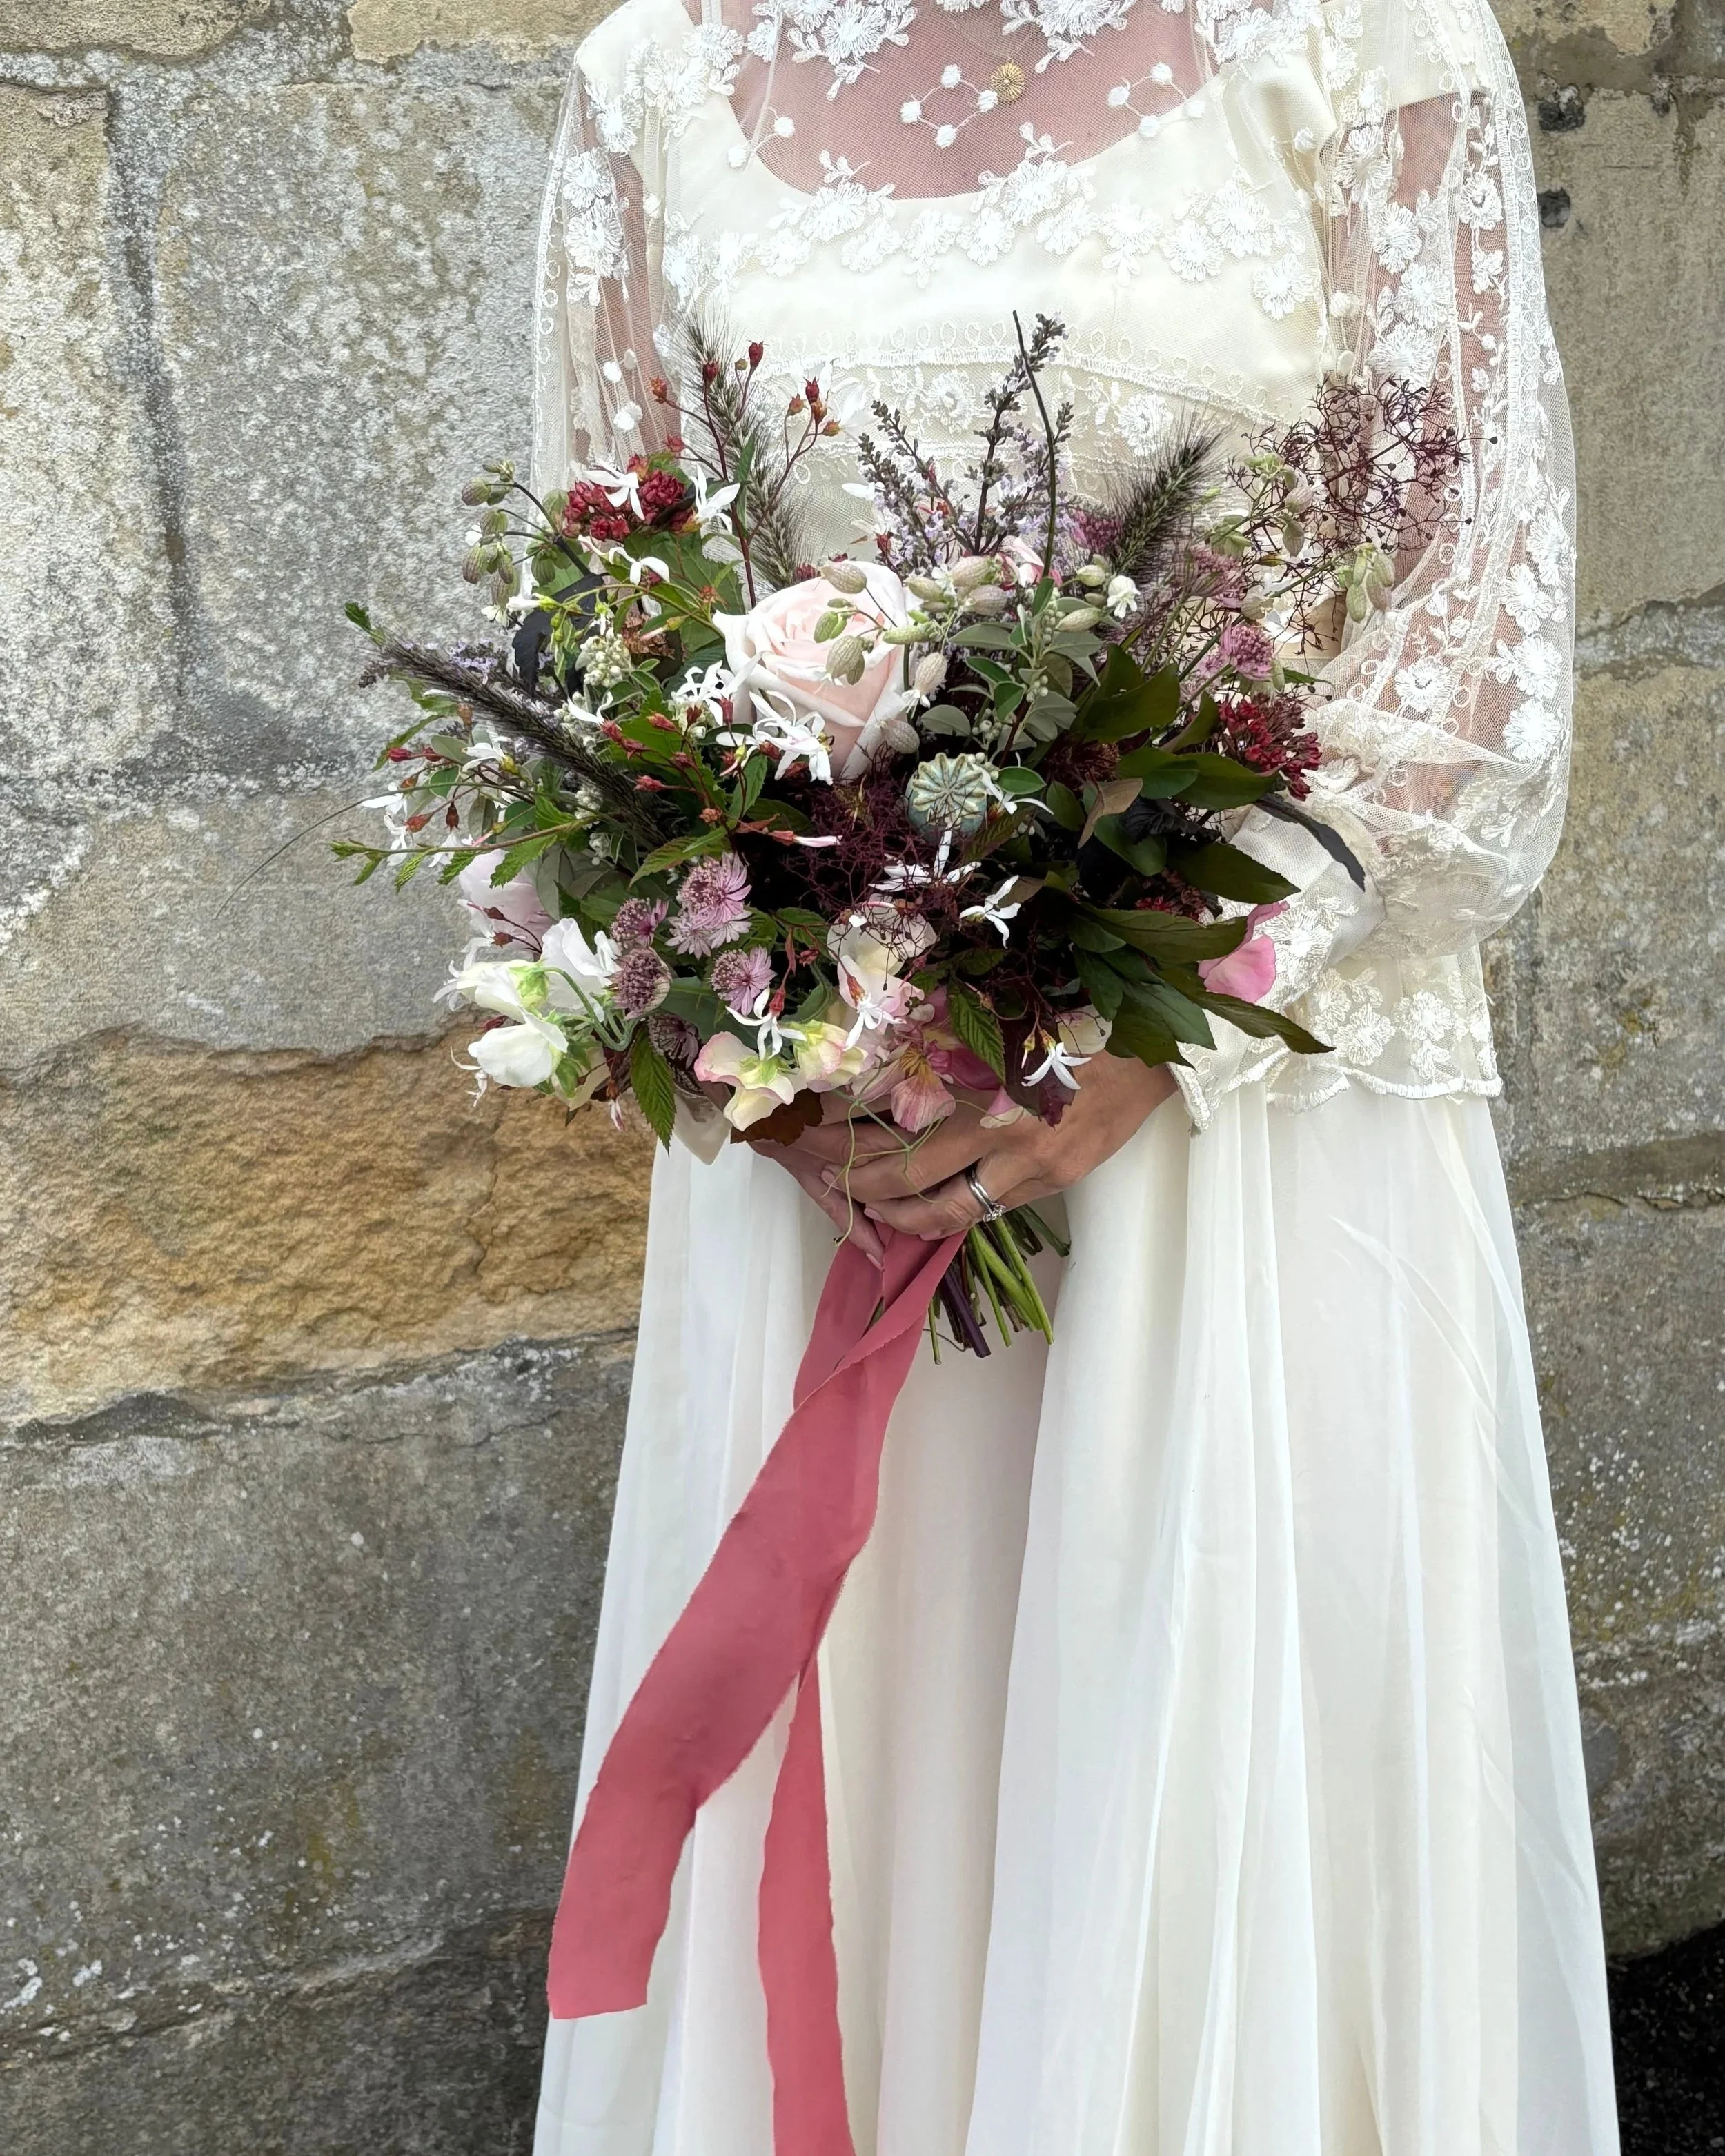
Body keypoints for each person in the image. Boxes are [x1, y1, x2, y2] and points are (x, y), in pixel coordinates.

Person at [529, 0, 1620, 2146]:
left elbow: (1472, 610)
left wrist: (1178, 994)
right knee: (896, 1745)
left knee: (1210, 1754)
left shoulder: (1377, 43)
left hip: (1241, 1127)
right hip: (846, 1136)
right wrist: (760, 1023)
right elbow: (605, 623)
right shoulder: (652, 75)